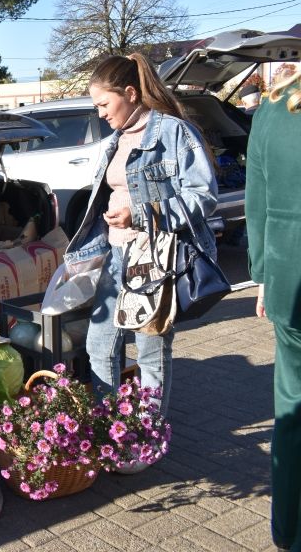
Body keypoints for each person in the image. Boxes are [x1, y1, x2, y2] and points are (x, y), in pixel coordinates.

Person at [64, 53, 218, 426]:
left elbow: (204, 196)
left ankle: (146, 438)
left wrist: (143, 212)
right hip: (117, 257)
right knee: (99, 348)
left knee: (150, 351)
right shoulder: (116, 139)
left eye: (104, 103)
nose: (100, 113)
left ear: (130, 93)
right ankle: (107, 431)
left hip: (156, 259)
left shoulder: (174, 132)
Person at [246, 66, 301, 552]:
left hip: (289, 278)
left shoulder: (271, 109)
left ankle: (288, 529)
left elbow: (257, 202)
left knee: (292, 410)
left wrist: (261, 276)